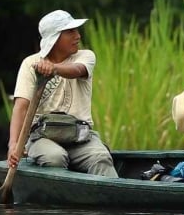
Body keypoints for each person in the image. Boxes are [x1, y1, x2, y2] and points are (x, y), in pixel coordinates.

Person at [7, 9, 118, 177]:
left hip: (81, 136)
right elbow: (21, 107)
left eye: (76, 30)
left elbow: (77, 70)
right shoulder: (31, 63)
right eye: (70, 31)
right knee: (55, 158)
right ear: (54, 38)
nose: (78, 36)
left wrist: (54, 69)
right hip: (42, 138)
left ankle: (109, 193)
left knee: (101, 158)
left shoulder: (86, 56)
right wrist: (13, 144)